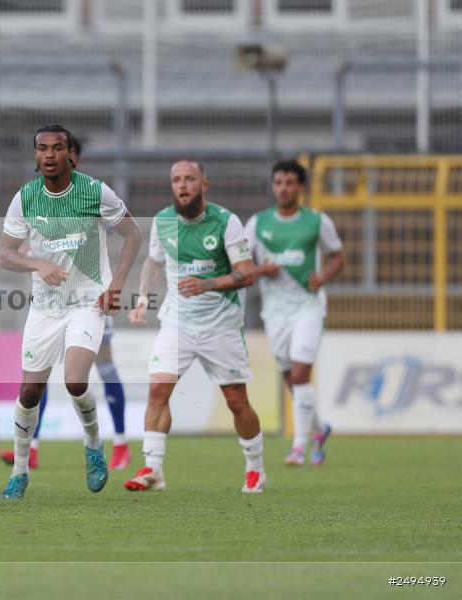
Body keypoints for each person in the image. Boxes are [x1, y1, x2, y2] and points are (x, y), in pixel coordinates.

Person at [0, 125, 142, 500]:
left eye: (57, 148)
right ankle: (19, 471)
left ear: (69, 154)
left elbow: (133, 235)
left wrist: (117, 283)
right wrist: (37, 264)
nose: (49, 155)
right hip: (45, 307)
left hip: (87, 301)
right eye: (41, 148)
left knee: (75, 380)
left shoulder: (96, 192)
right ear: (35, 155)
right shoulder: (25, 198)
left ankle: (93, 446)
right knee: (29, 392)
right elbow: (6, 254)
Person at [124, 160, 266, 493]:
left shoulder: (226, 222)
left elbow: (247, 272)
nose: (183, 185)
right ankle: (153, 468)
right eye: (176, 180)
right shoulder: (162, 221)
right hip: (177, 323)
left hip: (221, 326)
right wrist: (143, 299)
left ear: (204, 184)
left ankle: (255, 468)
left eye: (190, 179)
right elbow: (153, 262)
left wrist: (208, 284)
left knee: (236, 401)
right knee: (158, 389)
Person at [245, 160, 344, 467]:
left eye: (289, 182)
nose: (283, 188)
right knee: (291, 378)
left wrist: (324, 277)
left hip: (308, 306)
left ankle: (299, 446)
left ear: (300, 187)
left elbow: (338, 255)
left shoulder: (316, 221)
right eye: (278, 183)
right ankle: (319, 429)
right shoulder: (257, 224)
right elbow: (242, 266)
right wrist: (263, 270)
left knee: (301, 374)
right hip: (275, 312)